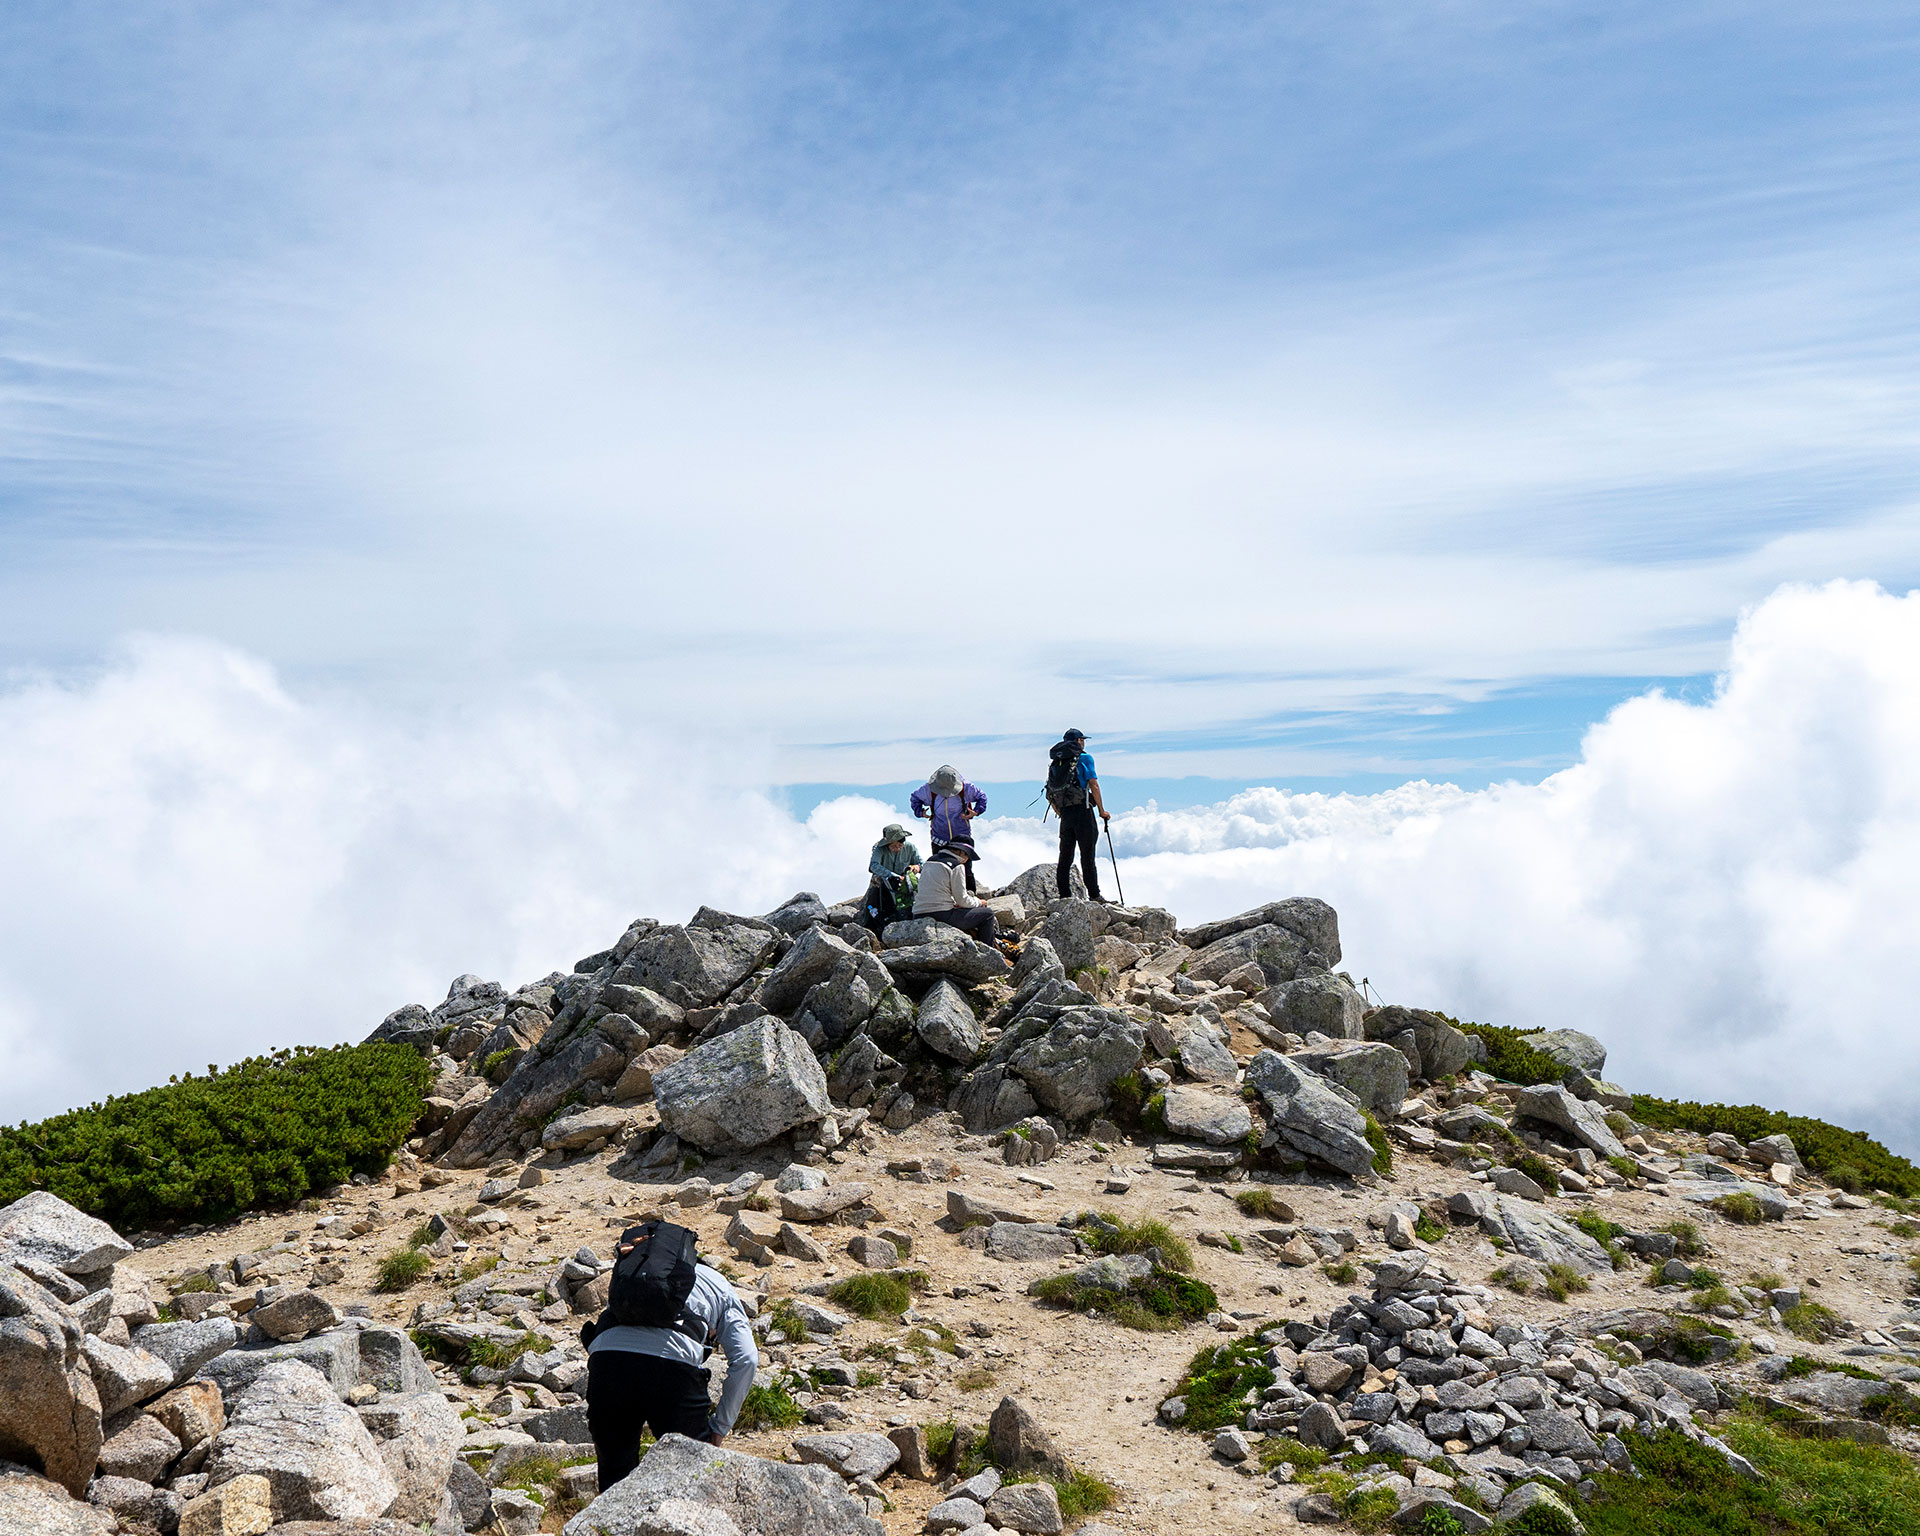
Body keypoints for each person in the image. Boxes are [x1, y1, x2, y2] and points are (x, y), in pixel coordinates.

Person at [580, 1232, 758, 1490]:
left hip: (608, 1362)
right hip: (673, 1368)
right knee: (691, 1480)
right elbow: (747, 1359)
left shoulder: (634, 1273)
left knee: (614, 1476)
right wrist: (719, 1429)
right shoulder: (720, 1285)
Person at [1045, 728, 1110, 901]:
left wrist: (1062, 812)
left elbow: (1049, 793)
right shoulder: (1085, 758)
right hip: (1083, 811)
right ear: (1079, 741)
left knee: (1065, 856)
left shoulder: (1057, 763)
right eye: (1083, 740)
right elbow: (1093, 785)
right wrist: (1102, 811)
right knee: (1087, 855)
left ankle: (1064, 896)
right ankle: (1095, 896)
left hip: (1066, 815)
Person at [910, 764, 987, 891]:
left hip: (961, 837)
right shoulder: (928, 790)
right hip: (939, 836)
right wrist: (920, 812)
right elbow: (915, 799)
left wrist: (976, 811)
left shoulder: (966, 788)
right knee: (940, 870)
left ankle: (970, 897)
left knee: (965, 870)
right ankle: (945, 900)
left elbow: (982, 798)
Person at [911, 835, 997, 943]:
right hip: (941, 914)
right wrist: (979, 902)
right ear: (961, 852)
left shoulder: (929, 861)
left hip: (918, 913)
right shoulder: (956, 865)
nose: (966, 860)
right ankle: (988, 952)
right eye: (967, 855)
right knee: (987, 915)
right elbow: (962, 899)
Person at [864, 823, 921, 932]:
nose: (898, 849)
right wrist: (892, 875)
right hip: (883, 883)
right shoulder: (879, 849)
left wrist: (916, 867)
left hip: (905, 885)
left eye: (900, 845)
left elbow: (920, 863)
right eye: (894, 846)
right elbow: (873, 865)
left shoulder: (910, 847)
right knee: (873, 905)